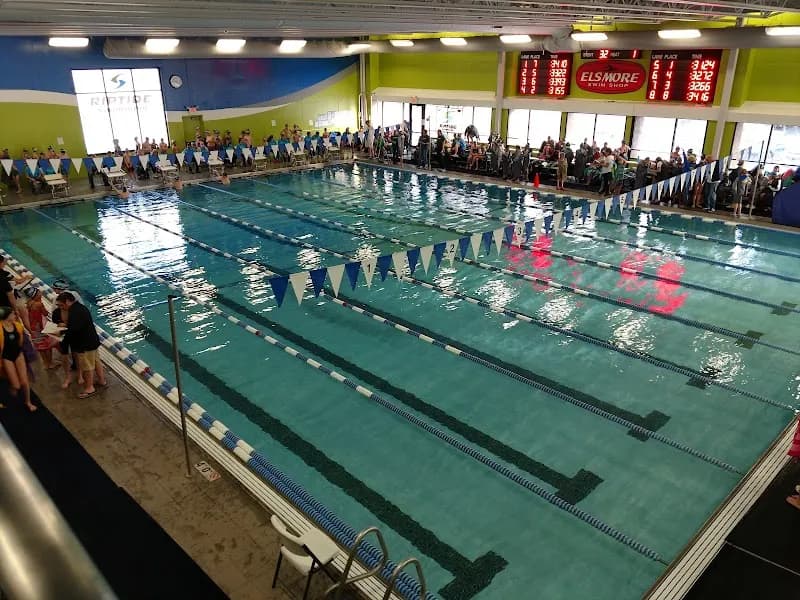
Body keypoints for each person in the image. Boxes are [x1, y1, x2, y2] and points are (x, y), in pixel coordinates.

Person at [56, 292, 107, 398]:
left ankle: (89, 388)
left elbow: (74, 330)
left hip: (84, 344)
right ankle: (102, 381)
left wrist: (62, 339)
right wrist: (66, 325)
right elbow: (78, 324)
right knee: (96, 361)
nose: (61, 308)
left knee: (87, 366)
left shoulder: (75, 312)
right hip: (92, 340)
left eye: (61, 305)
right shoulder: (80, 307)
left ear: (68, 301)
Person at [0, 306, 36, 411]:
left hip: (18, 355)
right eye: (12, 314)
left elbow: (20, 342)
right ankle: (13, 388)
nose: (15, 315)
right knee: (16, 385)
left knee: (24, 382)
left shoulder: (18, 326)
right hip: (6, 357)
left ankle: (28, 402)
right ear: (7, 316)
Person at [24, 287, 57, 369]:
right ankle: (51, 363)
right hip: (41, 326)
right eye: (39, 292)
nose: (41, 293)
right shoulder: (39, 304)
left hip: (33, 328)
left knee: (40, 347)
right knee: (47, 346)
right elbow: (45, 313)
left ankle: (45, 364)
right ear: (35, 295)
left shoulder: (29, 303)